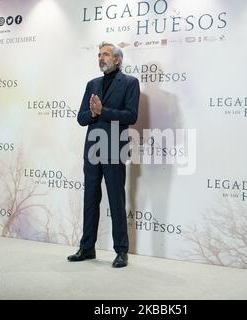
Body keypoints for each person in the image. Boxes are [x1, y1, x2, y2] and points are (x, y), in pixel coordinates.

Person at [67, 42, 140, 268]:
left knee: (116, 200)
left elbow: (131, 116)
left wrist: (102, 111)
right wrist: (93, 112)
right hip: (92, 149)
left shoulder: (130, 83)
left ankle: (121, 252)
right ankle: (87, 247)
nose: (101, 58)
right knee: (90, 199)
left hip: (114, 149)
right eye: (99, 54)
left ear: (117, 59)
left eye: (105, 54)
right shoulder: (92, 84)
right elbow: (81, 118)